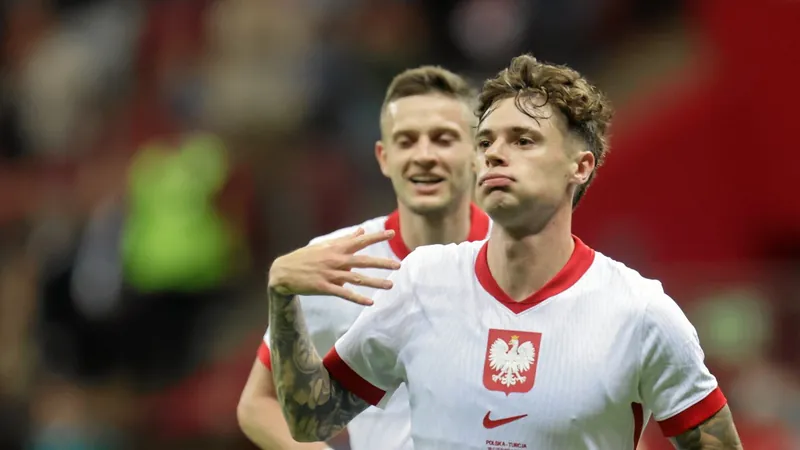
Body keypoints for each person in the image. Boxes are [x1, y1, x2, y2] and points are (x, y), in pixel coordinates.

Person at [265, 54, 743, 450]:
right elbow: (311, 421)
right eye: (486, 141)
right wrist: (283, 299)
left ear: (579, 167)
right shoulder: (420, 282)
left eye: (523, 140)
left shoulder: (640, 312)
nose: (494, 153)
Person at [237, 66, 491, 450]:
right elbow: (258, 403)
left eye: (443, 139)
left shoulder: (517, 253)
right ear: (384, 158)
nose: (424, 155)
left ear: (478, 153)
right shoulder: (336, 261)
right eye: (406, 141)